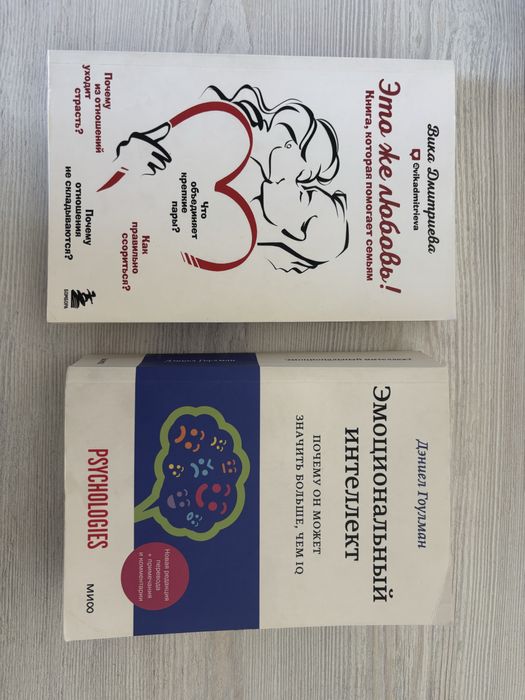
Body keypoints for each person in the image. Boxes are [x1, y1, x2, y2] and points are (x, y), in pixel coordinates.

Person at [114, 84, 349, 272]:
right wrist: (125, 161)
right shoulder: (223, 126)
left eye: (303, 218)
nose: (295, 186)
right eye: (306, 194)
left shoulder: (230, 239)